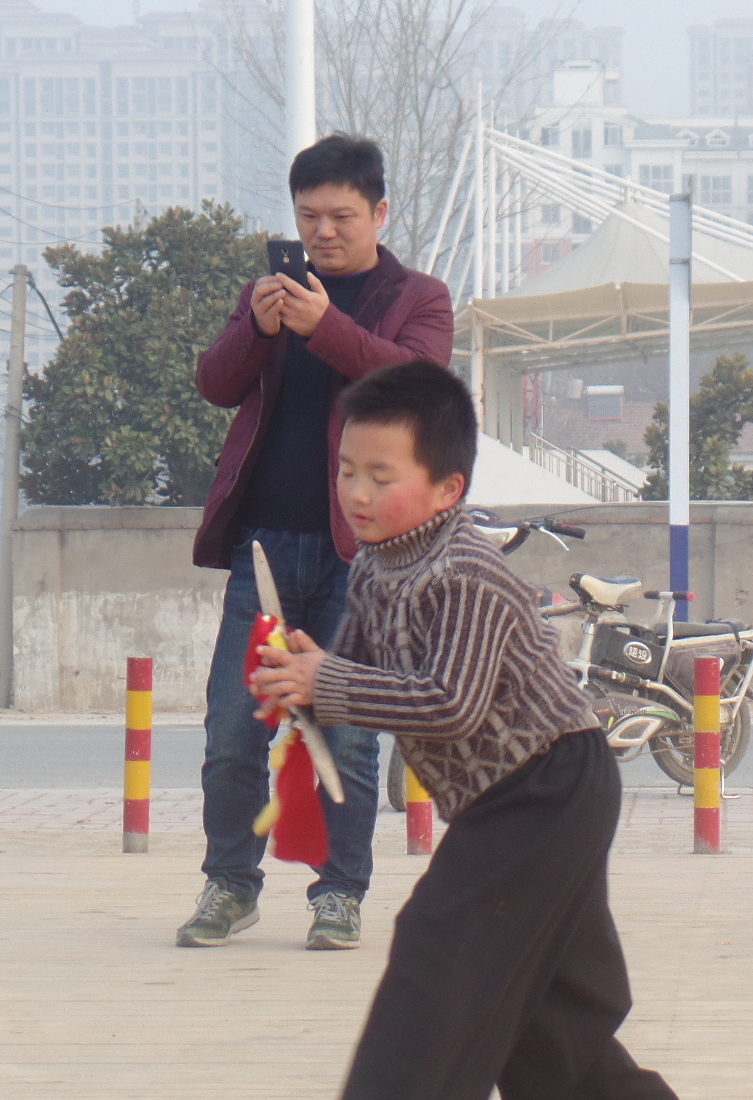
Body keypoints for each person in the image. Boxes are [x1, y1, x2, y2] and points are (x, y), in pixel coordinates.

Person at [248, 361, 693, 1100]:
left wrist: (325, 683)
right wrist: (298, 675)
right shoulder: (377, 570)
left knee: (445, 938)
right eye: (348, 470)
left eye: (383, 476)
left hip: (551, 781)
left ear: (447, 486)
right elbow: (357, 677)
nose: (357, 493)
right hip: (508, 794)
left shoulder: (467, 574)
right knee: (539, 987)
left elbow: (447, 702)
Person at [184, 134, 454, 952]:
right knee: (234, 726)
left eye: (341, 216)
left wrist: (326, 326)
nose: (324, 232)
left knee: (346, 730)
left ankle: (339, 894)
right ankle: (229, 885)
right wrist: (262, 329)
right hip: (264, 546)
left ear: (379, 212)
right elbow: (215, 384)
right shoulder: (271, 290)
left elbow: (416, 393)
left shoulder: (420, 297)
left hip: (361, 558)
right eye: (309, 217)